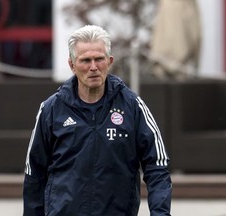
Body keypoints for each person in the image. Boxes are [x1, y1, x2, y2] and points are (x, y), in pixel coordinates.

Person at [23, 25, 172, 216]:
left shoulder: (133, 106)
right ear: (72, 65)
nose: (93, 67)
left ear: (109, 61)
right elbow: (34, 173)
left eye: (99, 59)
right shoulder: (51, 109)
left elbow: (157, 165)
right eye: (85, 60)